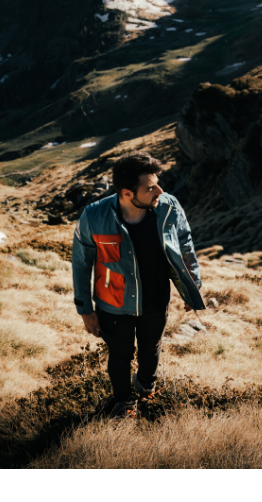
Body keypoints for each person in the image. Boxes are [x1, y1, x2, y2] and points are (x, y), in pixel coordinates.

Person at [71, 151, 204, 419]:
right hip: (113, 304)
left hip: (156, 299)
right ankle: (124, 402)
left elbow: (185, 243)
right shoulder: (93, 217)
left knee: (150, 348)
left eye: (157, 183)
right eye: (150, 187)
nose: (159, 191)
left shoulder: (169, 207)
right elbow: (81, 262)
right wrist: (85, 309)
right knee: (120, 355)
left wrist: (192, 285)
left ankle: (145, 385)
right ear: (127, 193)